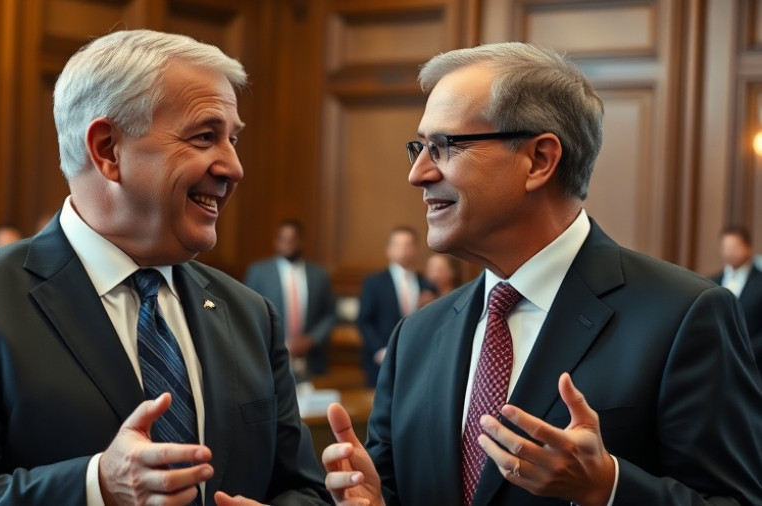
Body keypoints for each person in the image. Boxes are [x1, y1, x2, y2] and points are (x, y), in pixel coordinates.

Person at [0, 30, 329, 506]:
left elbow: (301, 489)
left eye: (233, 140)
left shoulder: (250, 314)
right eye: (205, 137)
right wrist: (97, 486)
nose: (234, 166)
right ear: (108, 149)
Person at [322, 42, 762, 505]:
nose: (418, 173)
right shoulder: (417, 335)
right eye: (419, 147)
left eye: (443, 146)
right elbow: (395, 487)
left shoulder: (684, 315)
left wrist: (607, 487)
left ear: (539, 160)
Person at [244, 220, 337, 379]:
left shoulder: (319, 275)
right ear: (276, 241)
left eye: (292, 239)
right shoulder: (259, 273)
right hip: (269, 357)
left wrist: (311, 340)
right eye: (283, 239)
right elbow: (247, 312)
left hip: (311, 360)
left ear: (301, 241)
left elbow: (330, 314)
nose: (287, 243)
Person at [356, 226, 434, 387]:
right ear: (389, 249)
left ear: (416, 249)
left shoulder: (426, 284)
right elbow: (364, 320)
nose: (403, 250)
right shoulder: (375, 282)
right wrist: (379, 350)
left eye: (408, 245)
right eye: (398, 245)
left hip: (417, 361)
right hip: (381, 360)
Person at [712, 225, 762, 367]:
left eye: (734, 247)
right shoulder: (711, 282)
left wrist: (747, 352)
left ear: (748, 247)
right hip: (718, 362)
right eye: (725, 247)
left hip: (754, 363)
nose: (729, 252)